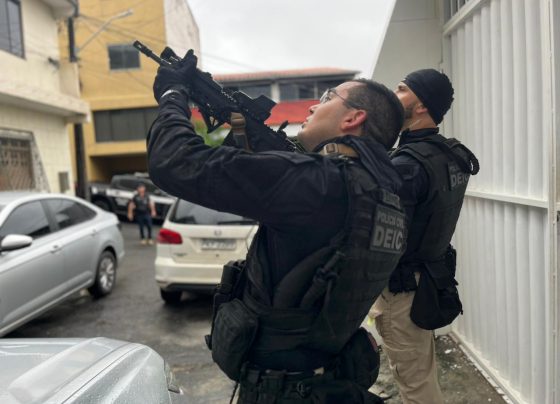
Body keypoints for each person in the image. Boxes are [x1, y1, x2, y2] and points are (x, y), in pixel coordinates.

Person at [147, 48, 406, 403]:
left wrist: (172, 95)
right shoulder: (386, 197)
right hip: (328, 382)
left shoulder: (319, 185)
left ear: (353, 118)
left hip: (280, 392)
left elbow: (174, 162)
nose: (313, 107)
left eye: (327, 97)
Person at [369, 69, 479, 404]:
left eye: (401, 89)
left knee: (416, 385)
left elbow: (381, 237)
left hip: (402, 289)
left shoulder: (407, 164)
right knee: (419, 372)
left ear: (421, 105)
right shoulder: (450, 153)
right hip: (427, 279)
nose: (393, 94)